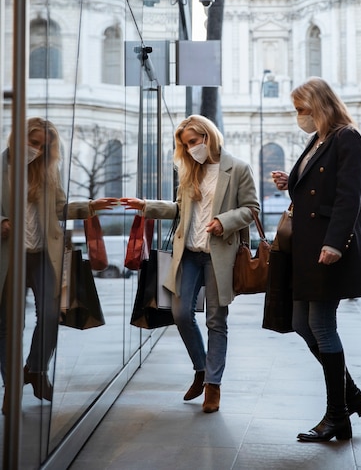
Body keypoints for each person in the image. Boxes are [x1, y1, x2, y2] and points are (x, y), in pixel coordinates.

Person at [120, 114, 259, 413]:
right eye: (186, 144)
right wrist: (146, 207)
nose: (191, 148)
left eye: (194, 141)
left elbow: (251, 209)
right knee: (181, 314)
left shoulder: (238, 168)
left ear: (208, 136)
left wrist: (224, 221)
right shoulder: (189, 172)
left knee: (216, 321)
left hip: (220, 255)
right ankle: (201, 368)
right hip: (190, 254)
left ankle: (213, 386)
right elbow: (179, 210)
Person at [272, 78, 361, 442]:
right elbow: (317, 184)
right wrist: (291, 181)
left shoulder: (346, 137)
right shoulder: (317, 139)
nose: (299, 115)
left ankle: (337, 416)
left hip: (327, 247)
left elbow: (350, 196)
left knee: (320, 325)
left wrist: (334, 243)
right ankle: (350, 397)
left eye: (302, 108)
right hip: (306, 247)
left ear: (320, 105)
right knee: (302, 323)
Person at [0, 117, 118, 409]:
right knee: (7, 325)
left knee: (51, 316)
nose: (38, 150)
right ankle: (11, 388)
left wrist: (90, 206)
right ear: (20, 138)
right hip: (9, 257)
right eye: (34, 143)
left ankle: (36, 370)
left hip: (42, 255)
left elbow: (60, 208)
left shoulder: (49, 171)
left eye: (44, 146)